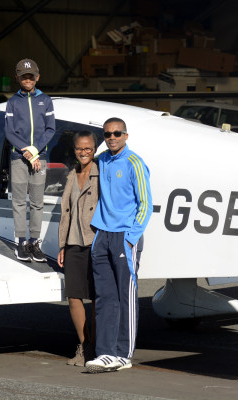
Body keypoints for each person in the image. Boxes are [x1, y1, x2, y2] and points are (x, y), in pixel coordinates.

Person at [85, 117, 153, 373]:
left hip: (125, 236)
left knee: (126, 296)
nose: (111, 138)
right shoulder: (101, 160)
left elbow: (146, 204)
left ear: (126, 135)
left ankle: (124, 354)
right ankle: (105, 352)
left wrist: (131, 237)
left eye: (116, 133)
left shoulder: (134, 162)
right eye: (107, 134)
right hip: (102, 235)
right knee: (104, 298)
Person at [5, 59, 55, 262]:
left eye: (31, 76)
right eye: (24, 76)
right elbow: (9, 131)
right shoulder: (12, 102)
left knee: (37, 202)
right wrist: (27, 152)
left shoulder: (46, 100)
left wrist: (36, 150)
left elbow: (50, 129)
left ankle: (34, 242)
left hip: (39, 157)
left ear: (38, 77)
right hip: (19, 157)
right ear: (17, 78)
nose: (28, 79)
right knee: (18, 201)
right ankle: (21, 243)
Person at [57, 130, 99, 367]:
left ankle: (97, 345)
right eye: (79, 148)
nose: (83, 153)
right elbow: (66, 212)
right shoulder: (72, 174)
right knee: (74, 296)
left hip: (95, 241)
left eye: (88, 148)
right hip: (73, 242)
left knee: (95, 297)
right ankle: (85, 346)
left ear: (94, 150)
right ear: (74, 150)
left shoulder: (101, 174)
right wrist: (62, 244)